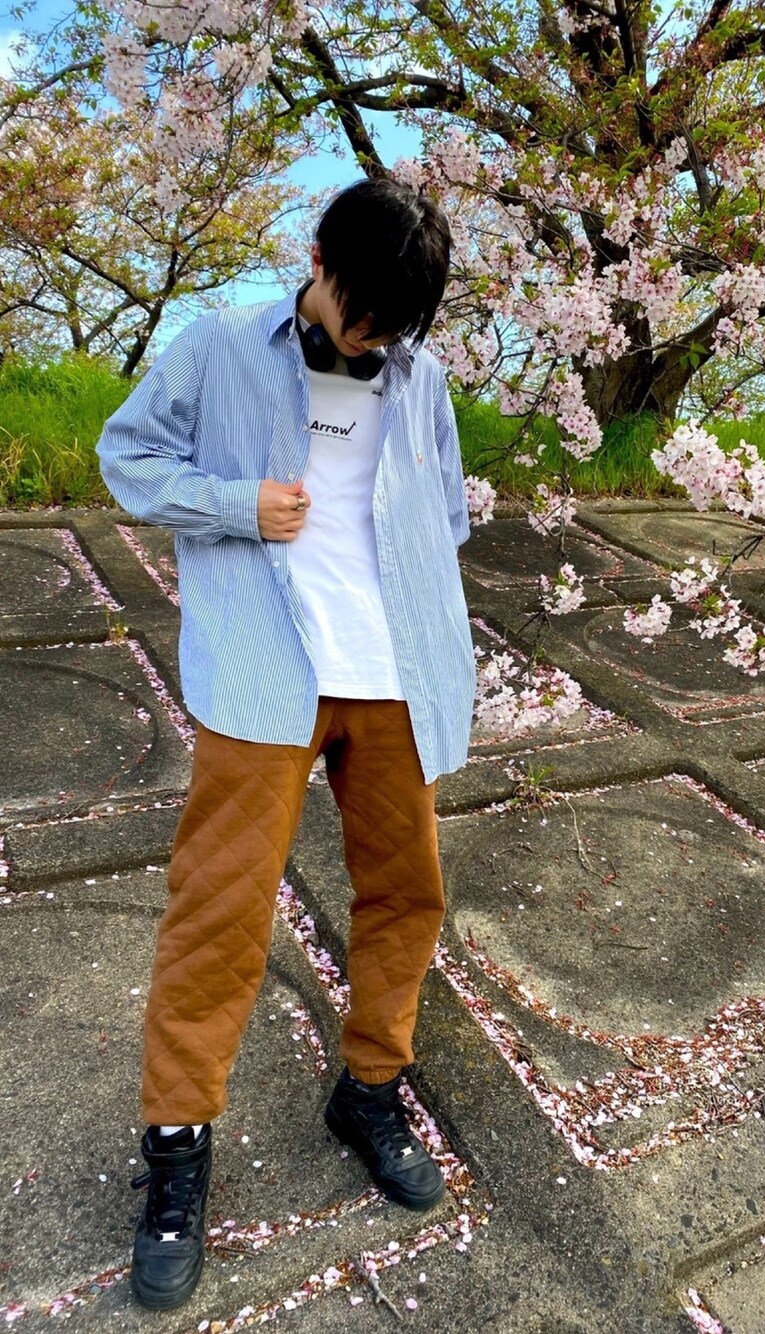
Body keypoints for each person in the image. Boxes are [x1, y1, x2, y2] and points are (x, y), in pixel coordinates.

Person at [97, 177, 476, 1311]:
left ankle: (370, 1087)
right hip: (266, 673)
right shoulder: (219, 344)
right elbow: (128, 457)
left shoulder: (421, 376)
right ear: (317, 259)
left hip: (394, 675)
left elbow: (447, 512)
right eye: (361, 311)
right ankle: (177, 1147)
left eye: (395, 325)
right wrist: (235, 505)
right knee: (219, 911)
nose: (372, 338)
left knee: (407, 893)